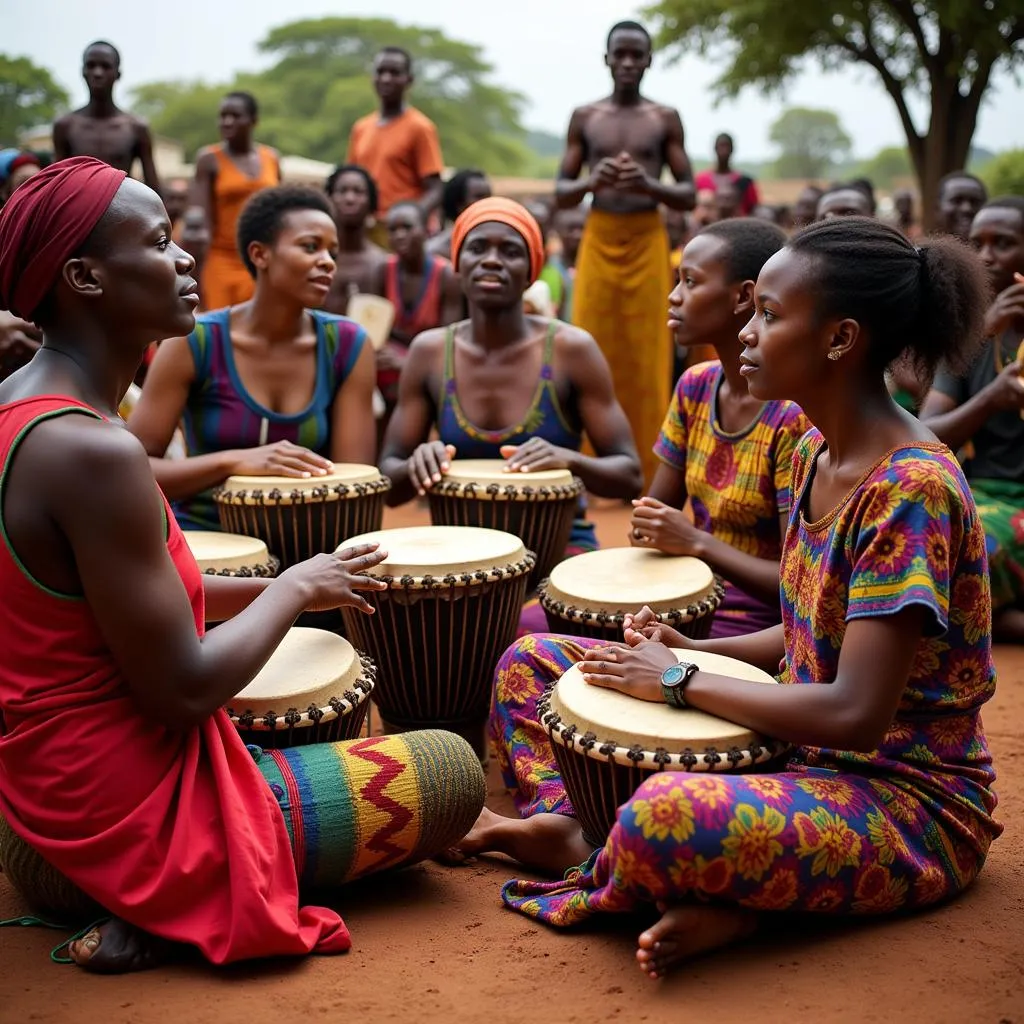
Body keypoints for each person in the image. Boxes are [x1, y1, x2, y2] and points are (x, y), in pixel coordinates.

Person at [456, 217, 1001, 979]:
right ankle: (584, 827)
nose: (745, 330)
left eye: (770, 315)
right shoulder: (819, 448)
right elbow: (806, 631)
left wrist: (679, 682)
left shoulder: (911, 489)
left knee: (662, 816)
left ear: (840, 340)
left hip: (900, 799)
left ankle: (638, 860)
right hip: (793, 753)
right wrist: (692, 653)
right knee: (534, 664)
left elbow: (857, 712)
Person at [0, 157, 485, 973]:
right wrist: (294, 589)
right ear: (83, 277)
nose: (189, 258)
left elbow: (111, 603)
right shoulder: (93, 450)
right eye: (159, 242)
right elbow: (181, 689)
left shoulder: (18, 405)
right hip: (110, 821)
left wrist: (295, 583)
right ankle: (156, 901)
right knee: (449, 771)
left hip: (37, 796)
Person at [379, 196, 642, 562]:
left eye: (510, 251)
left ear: (532, 270)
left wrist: (569, 460)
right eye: (477, 248)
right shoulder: (431, 352)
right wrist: (417, 464)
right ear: (457, 263)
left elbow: (629, 474)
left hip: (557, 549)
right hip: (458, 555)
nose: (491, 260)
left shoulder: (571, 350)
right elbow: (389, 484)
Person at [128, 185, 376, 532]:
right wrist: (234, 462)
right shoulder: (195, 340)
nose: (327, 262)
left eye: (333, 252)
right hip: (208, 541)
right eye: (310, 247)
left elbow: (354, 482)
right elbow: (133, 471)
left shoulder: (347, 345)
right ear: (260, 254)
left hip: (306, 542)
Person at [629, 219, 808, 638]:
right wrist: (652, 527)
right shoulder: (696, 386)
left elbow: (796, 585)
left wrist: (696, 542)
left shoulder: (792, 417)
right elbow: (652, 517)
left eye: (690, 282)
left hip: (754, 624)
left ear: (743, 296)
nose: (673, 297)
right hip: (685, 594)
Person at [556, 20, 694, 488]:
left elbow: (689, 193)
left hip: (646, 238)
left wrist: (647, 183)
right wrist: (593, 183)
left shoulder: (664, 117)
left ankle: (650, 468)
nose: (629, 63)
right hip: (599, 235)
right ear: (607, 59)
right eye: (621, 55)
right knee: (590, 340)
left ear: (650, 60)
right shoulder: (585, 116)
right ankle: (593, 466)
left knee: (650, 349)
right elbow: (561, 192)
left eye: (638, 55)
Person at [920, 196, 1024, 641]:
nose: (985, 256)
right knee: (916, 537)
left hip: (1017, 507)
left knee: (962, 554)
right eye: (977, 243)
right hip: (974, 494)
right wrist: (990, 396)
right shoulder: (973, 335)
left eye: (1003, 243)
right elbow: (925, 436)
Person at [347, 47, 445, 246]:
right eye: (380, 72)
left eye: (394, 73)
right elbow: (352, 178)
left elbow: (435, 189)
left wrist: (412, 217)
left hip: (401, 233)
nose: (386, 78)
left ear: (409, 80)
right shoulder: (361, 128)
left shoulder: (419, 127)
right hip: (368, 230)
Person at [193, 91, 281, 311]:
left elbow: (282, 211)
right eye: (222, 116)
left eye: (235, 115)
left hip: (261, 259)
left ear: (253, 120)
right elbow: (199, 216)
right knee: (219, 331)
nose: (227, 121)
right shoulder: (208, 159)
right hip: (221, 259)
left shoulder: (271, 158)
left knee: (259, 329)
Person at [377, 202, 463, 411]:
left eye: (407, 227)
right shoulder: (382, 270)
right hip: (388, 368)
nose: (399, 235)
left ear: (426, 230)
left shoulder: (447, 276)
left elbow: (449, 340)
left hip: (434, 365)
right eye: (392, 230)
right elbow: (375, 331)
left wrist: (406, 362)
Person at [53, 42, 159, 191]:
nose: (97, 73)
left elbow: (154, 188)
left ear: (118, 74)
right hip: (79, 212)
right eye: (91, 65)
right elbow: (55, 184)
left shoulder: (136, 128)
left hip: (123, 211)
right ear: (83, 72)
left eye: (105, 66)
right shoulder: (65, 126)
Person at [322, 164, 388, 314]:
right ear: (329, 198)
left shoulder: (382, 264)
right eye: (342, 191)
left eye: (358, 192)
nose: (350, 198)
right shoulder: (314, 261)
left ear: (371, 202)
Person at [427, 169, 492, 262]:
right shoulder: (434, 254)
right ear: (459, 205)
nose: (488, 203)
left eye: (489, 197)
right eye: (479, 197)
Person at [694, 133, 759, 216]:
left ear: (732, 150)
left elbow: (753, 209)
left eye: (727, 147)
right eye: (721, 146)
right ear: (715, 149)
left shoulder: (744, 182)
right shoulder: (701, 180)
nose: (724, 151)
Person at [935, 172, 988, 243]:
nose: (967, 209)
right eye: (956, 201)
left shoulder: (998, 253)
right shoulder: (921, 253)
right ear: (937, 209)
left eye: (975, 202)